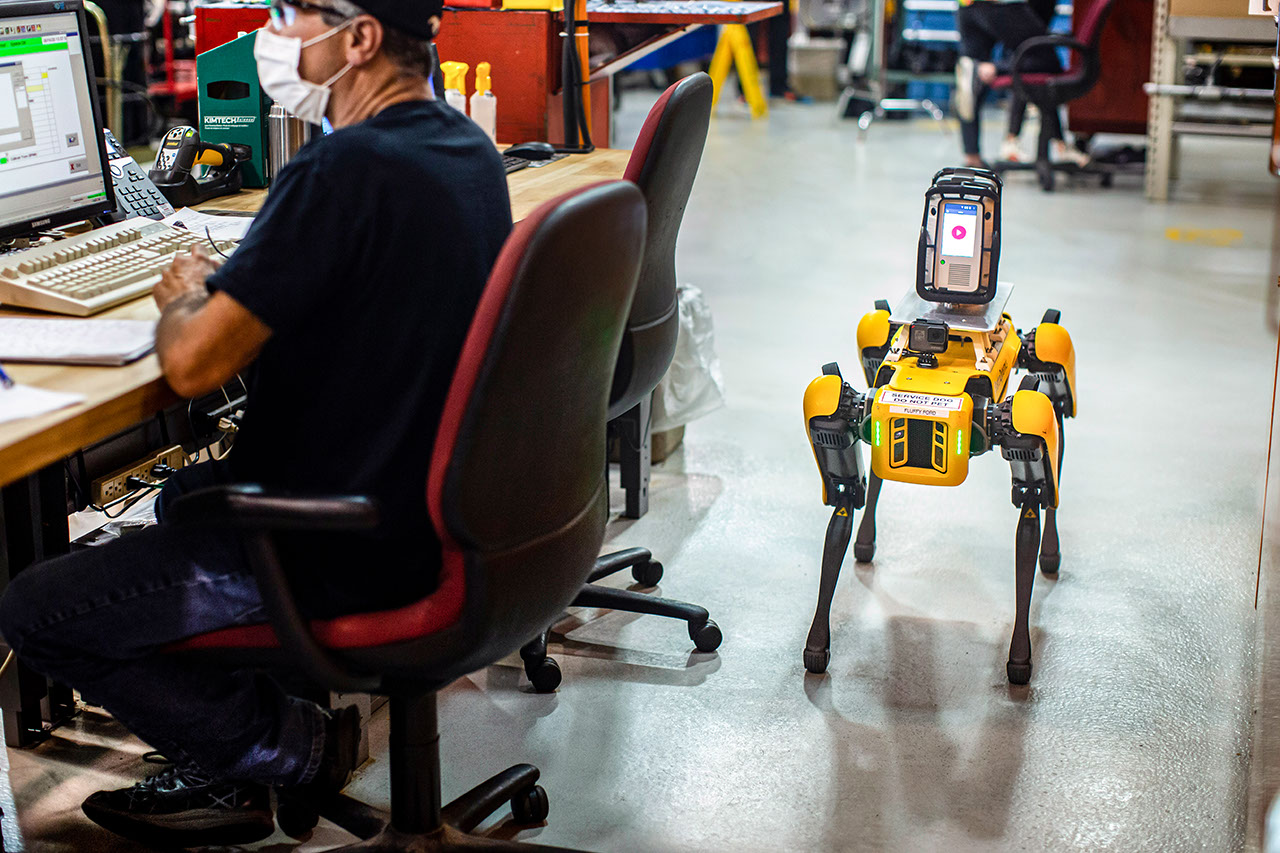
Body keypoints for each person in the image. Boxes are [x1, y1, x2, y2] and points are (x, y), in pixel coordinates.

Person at [0, 0, 513, 847]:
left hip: (335, 542)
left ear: (359, 39)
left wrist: (187, 298)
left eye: (298, 14)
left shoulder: (340, 172)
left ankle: (284, 745)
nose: (278, 34)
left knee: (32, 609)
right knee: (179, 501)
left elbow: (196, 363)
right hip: (426, 512)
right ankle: (233, 750)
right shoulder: (465, 150)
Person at [952, 0, 1089, 168]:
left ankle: (973, 155)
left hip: (968, 4)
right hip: (1004, 4)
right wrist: (998, 67)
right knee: (1044, 61)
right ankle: (995, 69)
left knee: (972, 67)